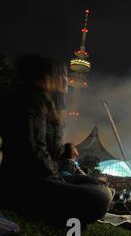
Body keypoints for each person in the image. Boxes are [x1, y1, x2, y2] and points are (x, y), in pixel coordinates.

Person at [0, 55, 112, 226]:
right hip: (25, 182)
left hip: (42, 176)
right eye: (64, 75)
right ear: (49, 76)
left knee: (98, 186)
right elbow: (33, 154)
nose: (67, 79)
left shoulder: (45, 103)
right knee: (99, 196)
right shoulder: (29, 100)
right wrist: (60, 174)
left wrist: (59, 101)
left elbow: (54, 150)